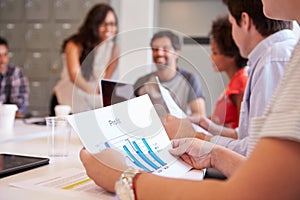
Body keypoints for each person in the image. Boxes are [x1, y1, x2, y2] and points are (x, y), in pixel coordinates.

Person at [79, 0, 300, 198]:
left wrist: (124, 179)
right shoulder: (281, 55)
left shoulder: (276, 59)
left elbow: (254, 188)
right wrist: (212, 153)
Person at [166, 0, 297, 156]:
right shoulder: (271, 56)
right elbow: (251, 135)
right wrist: (211, 128)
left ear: (245, 21)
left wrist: (195, 137)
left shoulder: (273, 60)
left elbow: (254, 151)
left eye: (232, 23)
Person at [50, 3, 119, 115]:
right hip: (65, 102)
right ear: (94, 24)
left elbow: (105, 82)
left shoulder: (114, 49)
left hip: (88, 105)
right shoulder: (74, 44)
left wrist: (97, 98)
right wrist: (94, 95)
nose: (109, 28)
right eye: (103, 24)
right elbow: (75, 76)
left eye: (112, 24)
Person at [134, 30, 206, 117]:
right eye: (155, 49)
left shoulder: (190, 79)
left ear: (176, 53)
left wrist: (176, 122)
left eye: (165, 48)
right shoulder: (141, 82)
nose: (159, 53)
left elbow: (199, 115)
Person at [208, 15, 248, 130]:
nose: (211, 57)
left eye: (215, 53)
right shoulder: (235, 81)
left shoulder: (241, 82)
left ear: (231, 54)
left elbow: (242, 132)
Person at [0, 37, 29, 118]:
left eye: (5, 55)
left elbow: (20, 111)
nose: (2, 60)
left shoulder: (16, 73)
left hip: (11, 123)